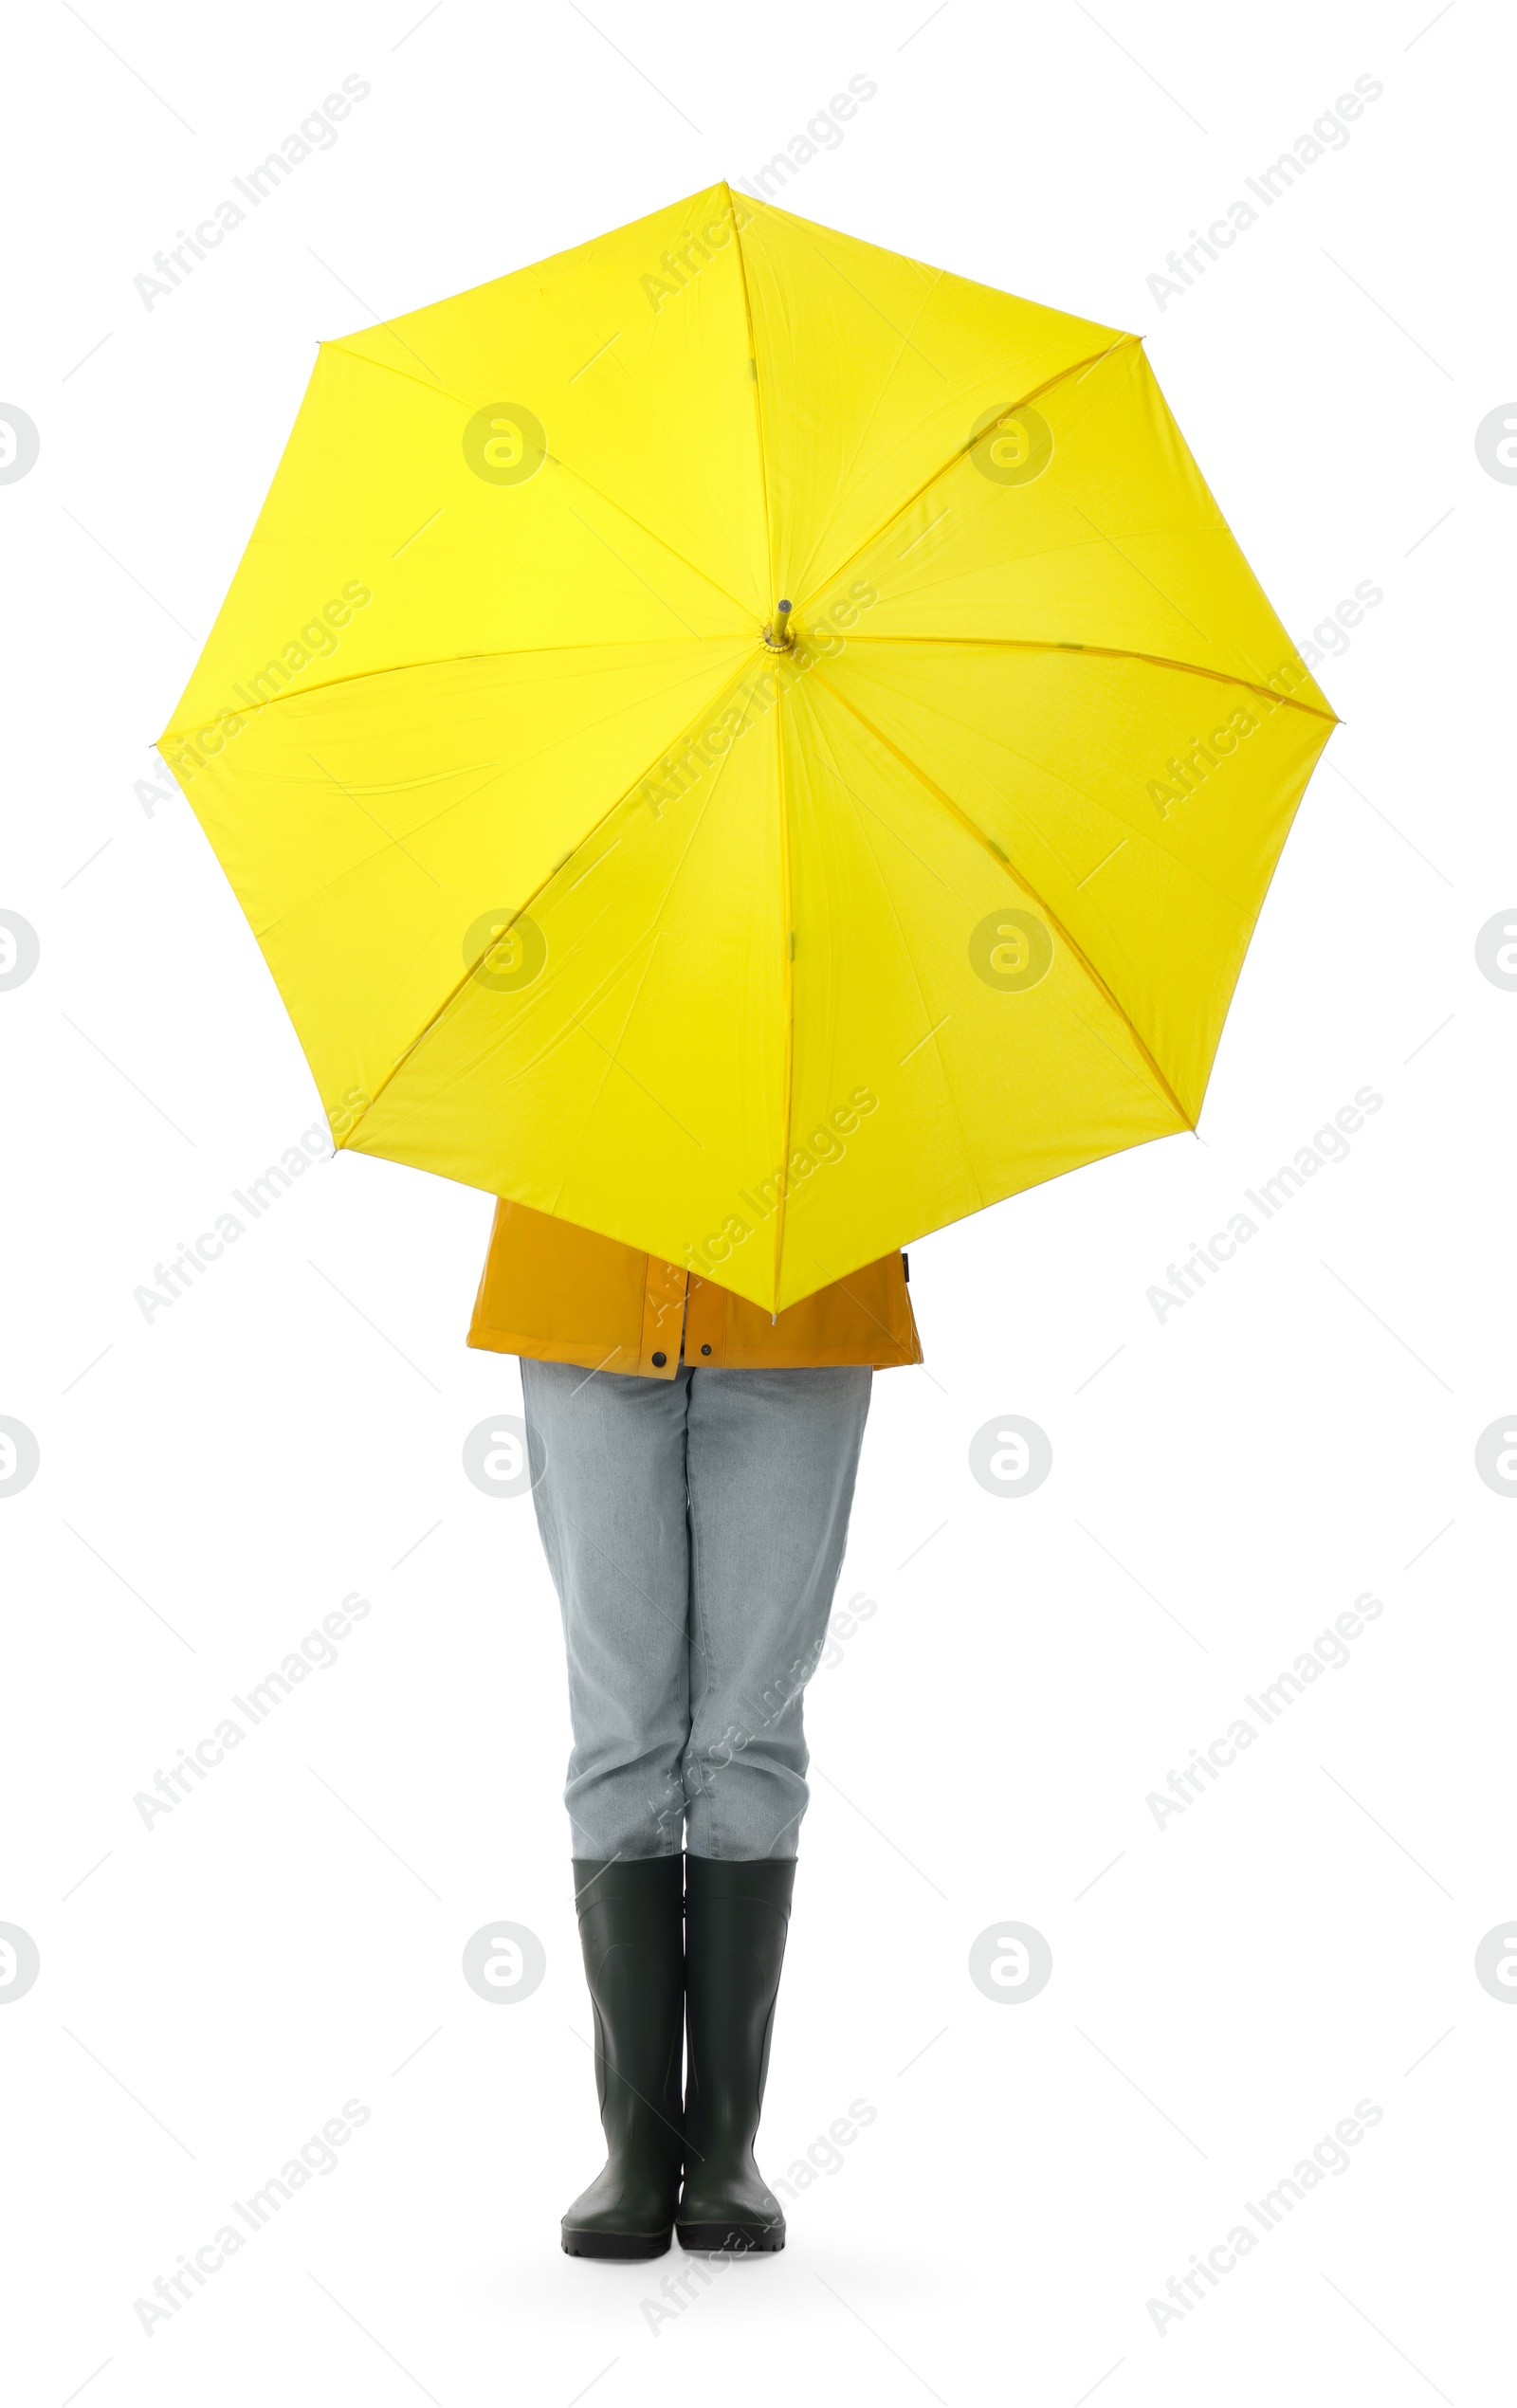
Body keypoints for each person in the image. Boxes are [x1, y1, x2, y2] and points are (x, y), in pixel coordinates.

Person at [467, 1198, 921, 2258]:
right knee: (620, 1731)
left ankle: (724, 2149)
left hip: (800, 1298)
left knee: (749, 1734)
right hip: (582, 1285)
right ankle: (635, 2146)